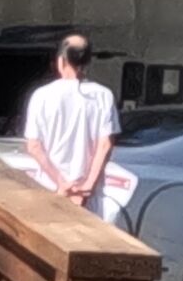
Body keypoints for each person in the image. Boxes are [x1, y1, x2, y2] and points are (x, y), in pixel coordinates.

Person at [20, 34, 139, 227]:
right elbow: (105, 145)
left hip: (49, 190)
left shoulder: (41, 96)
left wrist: (61, 184)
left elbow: (33, 146)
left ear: (61, 61)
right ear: (87, 62)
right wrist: (87, 186)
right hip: (89, 198)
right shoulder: (103, 96)